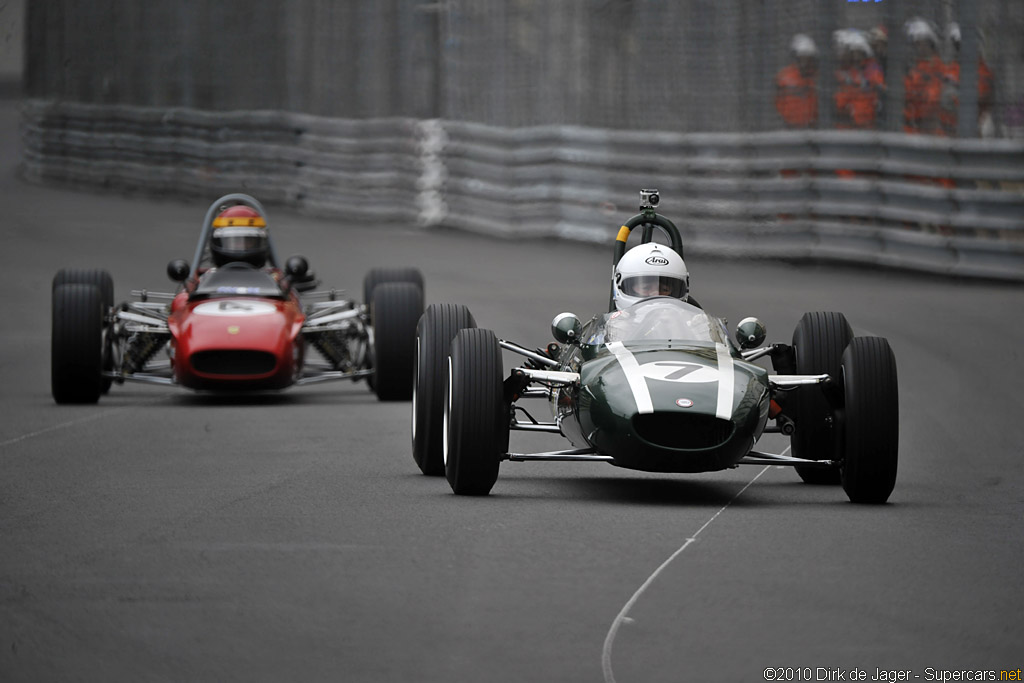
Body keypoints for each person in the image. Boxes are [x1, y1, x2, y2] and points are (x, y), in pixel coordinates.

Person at [942, 22, 996, 137]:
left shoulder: (984, 72)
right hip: (950, 128)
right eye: (958, 46)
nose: (961, 50)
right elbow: (945, 100)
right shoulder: (950, 69)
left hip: (976, 127)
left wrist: (959, 94)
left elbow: (980, 99)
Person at [611, 243, 690, 311]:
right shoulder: (613, 326)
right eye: (645, 288)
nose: (655, 294)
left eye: (664, 290)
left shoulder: (690, 324)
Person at [833, 29, 884, 131]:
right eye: (854, 53)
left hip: (867, 126)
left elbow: (879, 89)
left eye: (859, 53)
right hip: (845, 127)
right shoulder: (841, 72)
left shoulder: (871, 68)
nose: (856, 57)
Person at [903, 18, 946, 136]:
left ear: (930, 43)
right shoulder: (915, 69)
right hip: (915, 127)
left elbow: (934, 98)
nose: (918, 47)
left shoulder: (939, 68)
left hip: (934, 128)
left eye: (921, 43)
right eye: (916, 44)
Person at [775, 34, 819, 129]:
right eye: (802, 58)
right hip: (788, 126)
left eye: (808, 58)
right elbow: (777, 101)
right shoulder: (784, 76)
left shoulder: (816, 77)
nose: (805, 62)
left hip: (811, 127)